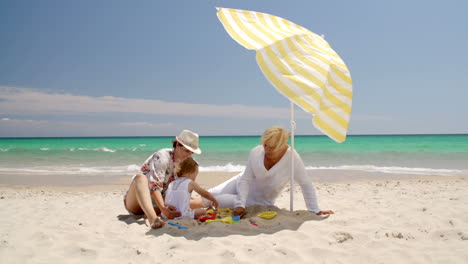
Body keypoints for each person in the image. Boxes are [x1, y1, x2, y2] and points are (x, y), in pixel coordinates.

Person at [204, 126, 334, 217]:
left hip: (257, 201)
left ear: (281, 145)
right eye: (265, 144)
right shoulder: (256, 151)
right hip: (240, 183)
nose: (266, 149)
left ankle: (185, 207)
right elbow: (246, 179)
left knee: (213, 200)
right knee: (208, 193)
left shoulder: (291, 158)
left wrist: (315, 209)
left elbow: (305, 183)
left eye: (271, 147)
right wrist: (240, 204)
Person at [123, 129, 202, 228]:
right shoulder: (162, 157)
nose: (188, 155)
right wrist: (163, 208)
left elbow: (187, 187)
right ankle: (153, 218)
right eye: (186, 150)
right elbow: (155, 187)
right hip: (137, 202)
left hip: (162, 202)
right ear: (177, 145)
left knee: (198, 200)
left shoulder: (189, 163)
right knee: (140, 177)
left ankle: (159, 211)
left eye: (191, 152)